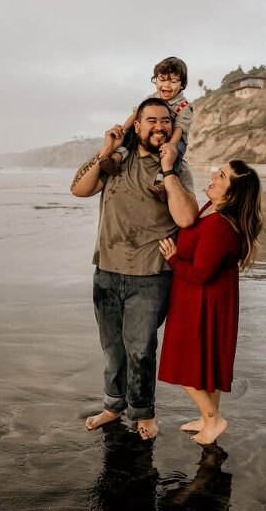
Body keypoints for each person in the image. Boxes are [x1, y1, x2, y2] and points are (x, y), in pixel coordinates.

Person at [71, 97, 199, 439]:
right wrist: (105, 149)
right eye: (152, 120)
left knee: (141, 348)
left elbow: (187, 218)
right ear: (137, 126)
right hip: (107, 270)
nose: (160, 126)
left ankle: (144, 412)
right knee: (112, 347)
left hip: (151, 274)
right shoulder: (115, 162)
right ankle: (113, 406)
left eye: (165, 121)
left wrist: (169, 171)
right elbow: (79, 189)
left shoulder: (175, 167)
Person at [157, 160, 263, 445]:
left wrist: (173, 258)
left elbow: (201, 274)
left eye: (222, 176)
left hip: (203, 298)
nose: (214, 176)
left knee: (184, 364)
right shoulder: (211, 208)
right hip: (205, 296)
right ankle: (207, 417)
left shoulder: (221, 226)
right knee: (207, 363)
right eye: (219, 170)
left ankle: (214, 420)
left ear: (232, 193)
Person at [100, 57, 193, 203]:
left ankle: (162, 184)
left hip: (173, 136)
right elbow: (136, 115)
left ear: (182, 84)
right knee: (132, 133)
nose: (166, 85)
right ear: (155, 80)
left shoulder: (184, 106)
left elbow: (179, 128)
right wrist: (122, 129)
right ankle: (116, 159)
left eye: (173, 81)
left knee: (175, 155)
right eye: (162, 79)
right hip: (151, 134)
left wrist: (171, 145)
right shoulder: (152, 97)